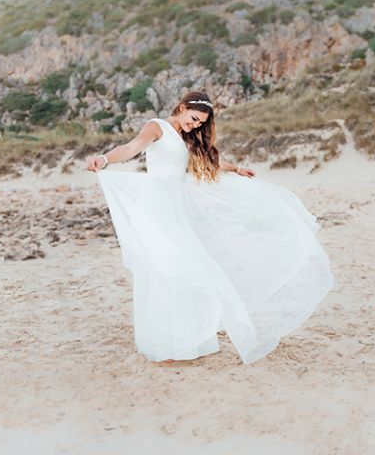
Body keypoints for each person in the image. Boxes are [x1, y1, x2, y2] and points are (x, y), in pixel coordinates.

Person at [86, 91, 334, 364]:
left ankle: (189, 341)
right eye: (193, 119)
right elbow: (131, 148)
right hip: (156, 205)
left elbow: (205, 163)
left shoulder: (187, 137)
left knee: (188, 266)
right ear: (181, 108)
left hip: (179, 206)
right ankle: (166, 345)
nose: (195, 125)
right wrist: (106, 159)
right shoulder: (158, 127)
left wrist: (235, 169)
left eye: (200, 123)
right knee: (168, 266)